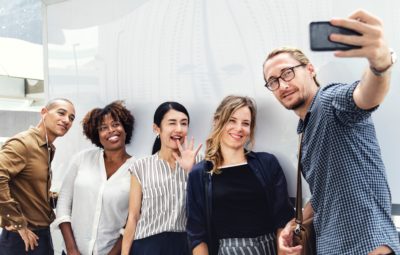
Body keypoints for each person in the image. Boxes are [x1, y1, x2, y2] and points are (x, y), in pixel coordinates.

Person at [262, 9, 400, 255]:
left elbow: (365, 95)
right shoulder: (304, 131)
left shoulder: (329, 101)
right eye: (273, 81)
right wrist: (292, 225)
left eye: (287, 72)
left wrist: (380, 65)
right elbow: (324, 195)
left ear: (311, 69)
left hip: (366, 246)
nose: (282, 85)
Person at [186, 95, 294, 255]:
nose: (239, 128)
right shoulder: (200, 173)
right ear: (217, 121)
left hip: (269, 247)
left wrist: (282, 250)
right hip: (229, 250)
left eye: (245, 123)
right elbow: (196, 231)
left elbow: (282, 216)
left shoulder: (267, 163)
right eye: (232, 120)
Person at [53, 101, 135, 255]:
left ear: (125, 127)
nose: (111, 131)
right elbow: (63, 204)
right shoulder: (81, 159)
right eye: (103, 128)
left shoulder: (137, 169)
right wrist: (71, 249)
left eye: (116, 124)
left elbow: (133, 220)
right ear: (96, 134)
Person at [121, 101, 202, 255]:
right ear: (156, 128)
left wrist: (191, 171)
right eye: (172, 123)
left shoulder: (200, 162)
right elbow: (133, 217)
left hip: (184, 245)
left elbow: (204, 208)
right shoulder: (141, 166)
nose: (179, 129)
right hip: (146, 246)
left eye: (184, 124)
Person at [0, 98, 75, 255]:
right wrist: (17, 222)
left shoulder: (46, 148)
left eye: (71, 118)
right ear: (44, 113)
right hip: (22, 239)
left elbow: (30, 190)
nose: (66, 120)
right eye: (61, 113)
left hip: (41, 234)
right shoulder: (23, 143)